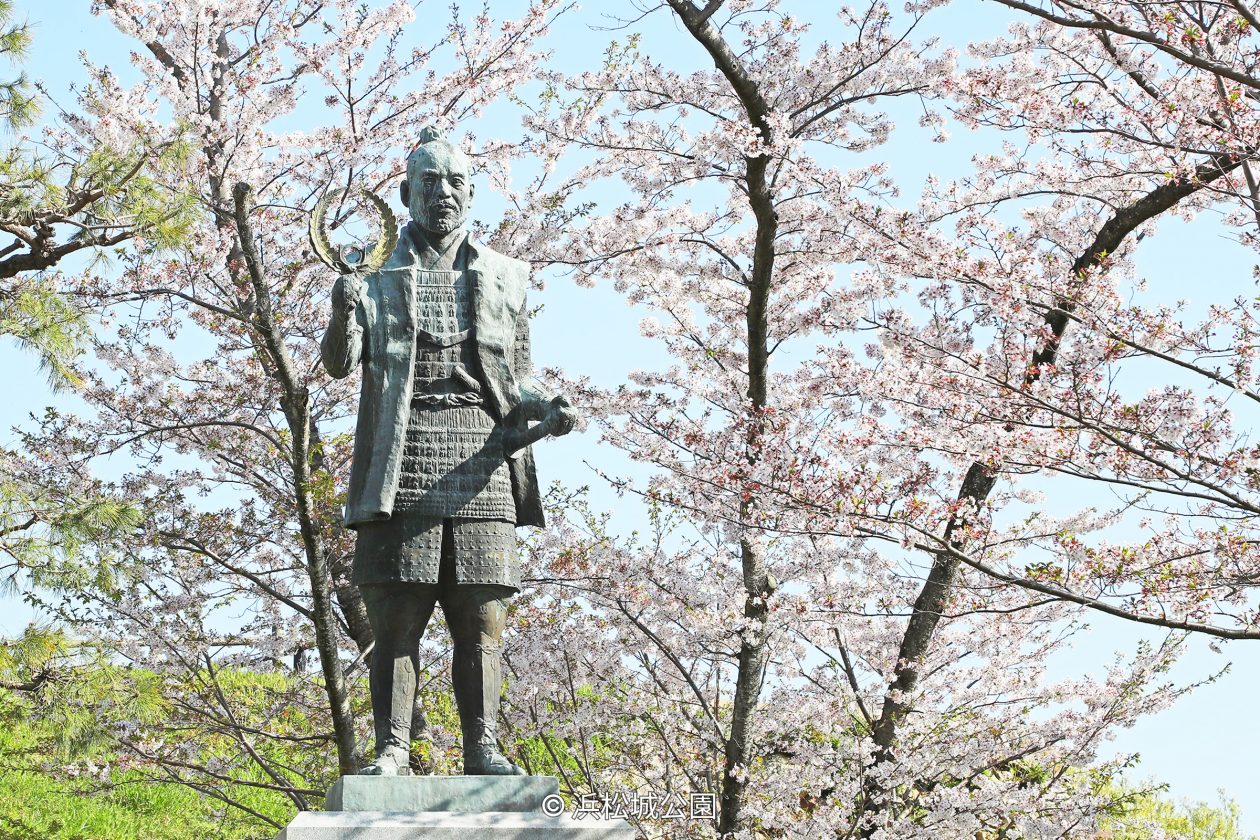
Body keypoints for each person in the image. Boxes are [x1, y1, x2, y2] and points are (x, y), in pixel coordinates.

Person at [320, 126, 578, 776]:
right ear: (407, 192)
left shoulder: (506, 276)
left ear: (472, 192)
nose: (443, 194)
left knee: (481, 619)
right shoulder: (374, 275)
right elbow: (338, 363)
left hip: (483, 459)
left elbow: (517, 375)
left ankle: (482, 747)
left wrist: (548, 407)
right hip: (399, 461)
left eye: (456, 182)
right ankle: (391, 751)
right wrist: (341, 309)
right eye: (430, 182)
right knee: (397, 617)